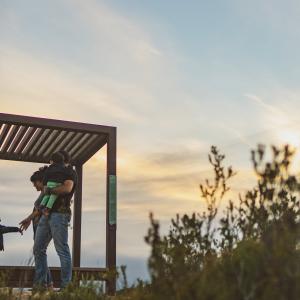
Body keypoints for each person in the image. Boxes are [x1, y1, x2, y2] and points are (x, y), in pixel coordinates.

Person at [32, 151, 77, 289]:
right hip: (46, 214)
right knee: (38, 248)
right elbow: (45, 189)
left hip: (60, 214)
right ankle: (41, 285)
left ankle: (66, 287)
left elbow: (67, 188)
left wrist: (50, 190)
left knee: (62, 250)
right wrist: (32, 217)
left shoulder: (70, 172)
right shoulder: (51, 172)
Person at [19, 168, 53, 288]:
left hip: (43, 225)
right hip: (38, 225)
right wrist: (30, 220)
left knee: (39, 252)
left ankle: (42, 284)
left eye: (35, 183)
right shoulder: (43, 192)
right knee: (39, 253)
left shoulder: (46, 191)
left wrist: (29, 218)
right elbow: (37, 210)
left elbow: (40, 209)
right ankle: (48, 283)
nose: (34, 186)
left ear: (40, 181)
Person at [39, 152, 70, 216]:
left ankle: (41, 205)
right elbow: (66, 175)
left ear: (52, 161)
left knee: (47, 195)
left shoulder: (50, 168)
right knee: (53, 196)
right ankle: (47, 209)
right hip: (57, 184)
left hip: (49, 183)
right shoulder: (63, 168)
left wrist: (45, 184)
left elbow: (46, 175)